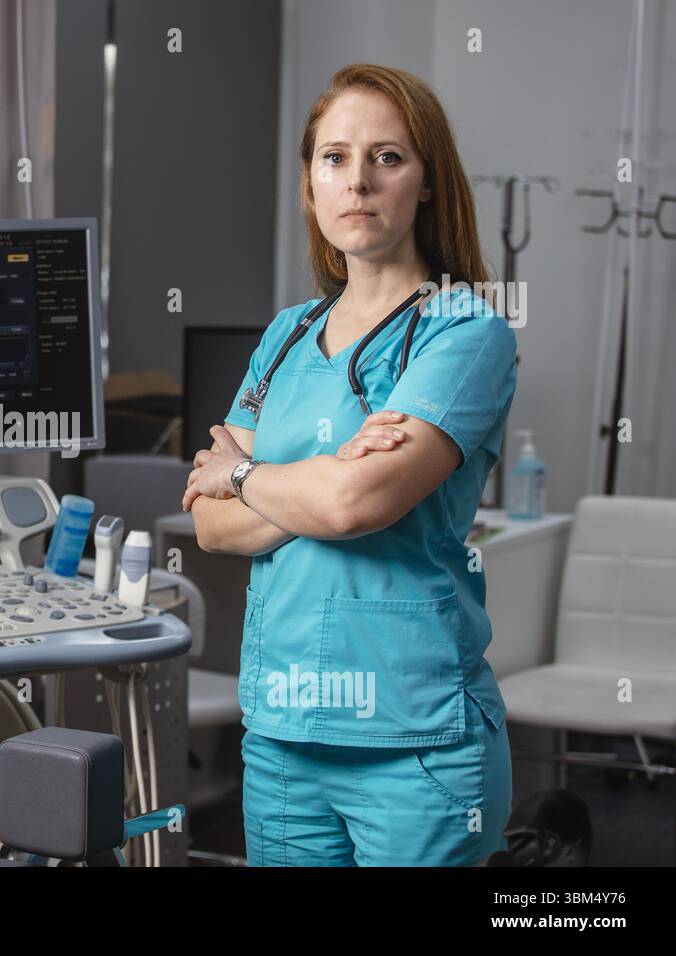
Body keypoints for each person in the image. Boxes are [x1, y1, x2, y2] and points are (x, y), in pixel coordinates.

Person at [183, 63, 516, 866]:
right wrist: (323, 473)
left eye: (387, 158)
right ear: (310, 181)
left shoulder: (463, 331)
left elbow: (352, 507)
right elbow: (208, 522)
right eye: (334, 158)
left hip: (414, 741)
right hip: (282, 737)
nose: (357, 181)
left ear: (428, 182)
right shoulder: (289, 335)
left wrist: (248, 475)